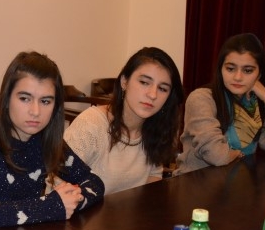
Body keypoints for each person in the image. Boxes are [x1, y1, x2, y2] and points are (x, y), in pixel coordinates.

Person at [0, 51, 105, 230]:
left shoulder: (44, 139)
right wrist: (52, 206)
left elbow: (94, 183)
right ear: (7, 99)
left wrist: (70, 202)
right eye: (25, 98)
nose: (35, 111)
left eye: (45, 101)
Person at [64, 47, 185, 194]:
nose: (153, 95)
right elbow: (59, 186)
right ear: (124, 82)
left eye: (162, 88)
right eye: (144, 82)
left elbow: (154, 176)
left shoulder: (156, 128)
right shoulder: (91, 124)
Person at [178, 33, 265, 174]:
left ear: (259, 74)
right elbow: (217, 155)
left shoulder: (255, 103)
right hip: (196, 181)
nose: (238, 77)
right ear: (221, 69)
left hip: (239, 181)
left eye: (247, 70)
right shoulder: (201, 98)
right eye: (230, 69)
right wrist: (236, 154)